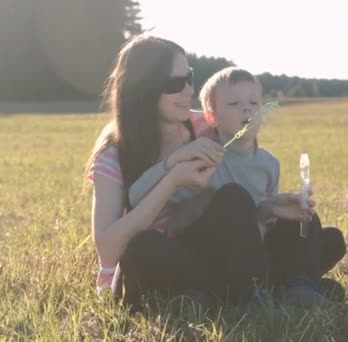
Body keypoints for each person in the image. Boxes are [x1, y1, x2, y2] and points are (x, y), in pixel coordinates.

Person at [85, 35, 275, 313]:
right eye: (175, 83)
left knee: (234, 198)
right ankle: (227, 293)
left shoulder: (206, 124)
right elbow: (109, 249)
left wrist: (271, 207)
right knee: (144, 246)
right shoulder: (114, 152)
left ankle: (206, 295)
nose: (187, 91)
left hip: (207, 251)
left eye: (189, 77)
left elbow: (247, 180)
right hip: (153, 262)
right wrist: (171, 179)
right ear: (144, 88)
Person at [128, 67, 347, 306]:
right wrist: (174, 164)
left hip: (255, 255)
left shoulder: (268, 164)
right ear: (212, 117)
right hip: (214, 256)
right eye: (234, 103)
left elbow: (261, 228)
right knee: (233, 196)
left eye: (254, 102)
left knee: (318, 229)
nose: (247, 108)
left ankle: (296, 287)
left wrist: (272, 208)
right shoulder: (204, 157)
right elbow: (136, 197)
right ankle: (259, 292)